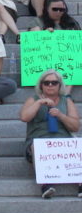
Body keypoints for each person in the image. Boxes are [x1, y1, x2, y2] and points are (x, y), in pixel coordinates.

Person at [20, 69, 81, 199]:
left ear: (60, 85)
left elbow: (75, 126)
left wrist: (60, 115)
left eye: (54, 82)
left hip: (62, 141)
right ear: (41, 85)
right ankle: (45, 184)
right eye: (46, 83)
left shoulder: (66, 101)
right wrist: (39, 103)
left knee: (77, 144)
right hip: (38, 141)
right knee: (37, 146)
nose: (50, 85)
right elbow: (24, 117)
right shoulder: (33, 99)